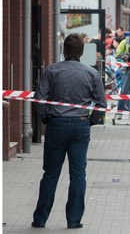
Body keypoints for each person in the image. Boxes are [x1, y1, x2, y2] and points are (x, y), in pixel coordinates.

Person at [32, 33, 107, 229]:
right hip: (80, 126)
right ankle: (74, 220)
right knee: (78, 174)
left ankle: (40, 219)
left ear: (64, 50)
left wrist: (46, 118)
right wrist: (90, 121)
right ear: (82, 52)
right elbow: (101, 103)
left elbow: (39, 99)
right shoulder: (91, 73)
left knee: (50, 174)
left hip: (56, 125)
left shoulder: (52, 71)